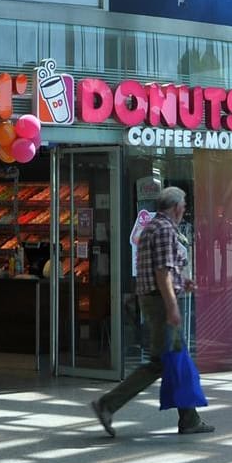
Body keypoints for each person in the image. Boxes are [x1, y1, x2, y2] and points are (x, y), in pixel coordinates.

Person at [91, 186, 213, 438]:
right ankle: (108, 404)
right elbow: (162, 272)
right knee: (163, 361)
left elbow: (164, 269)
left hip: (153, 299)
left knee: (175, 359)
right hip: (160, 303)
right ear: (177, 207)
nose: (185, 209)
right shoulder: (165, 229)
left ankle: (189, 418)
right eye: (184, 205)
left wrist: (182, 281)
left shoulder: (152, 228)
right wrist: (171, 306)